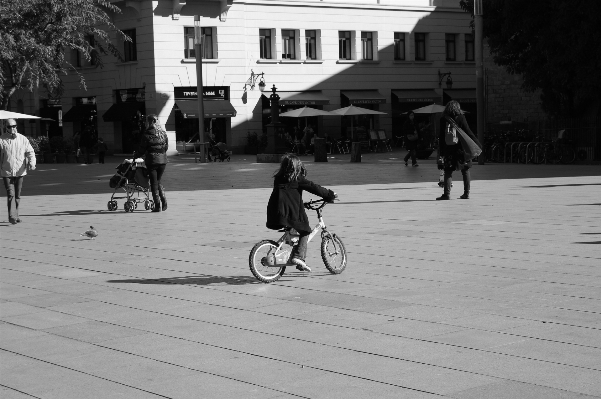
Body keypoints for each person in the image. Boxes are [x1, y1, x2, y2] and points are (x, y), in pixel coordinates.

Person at [266, 154, 337, 272]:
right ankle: (298, 256)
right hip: (289, 211)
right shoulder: (297, 178)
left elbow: (288, 193)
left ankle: (299, 260)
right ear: (296, 167)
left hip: (275, 212)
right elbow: (314, 187)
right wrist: (330, 195)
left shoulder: (278, 178)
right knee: (305, 230)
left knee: (296, 228)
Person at [436, 100, 481, 200]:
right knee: (465, 170)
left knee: (448, 171)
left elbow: (441, 136)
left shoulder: (443, 119)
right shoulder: (461, 117)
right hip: (461, 148)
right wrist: (477, 144)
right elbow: (468, 131)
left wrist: (441, 151)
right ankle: (466, 193)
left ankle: (446, 194)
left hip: (448, 149)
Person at [0, 119, 36, 224]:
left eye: (14, 126)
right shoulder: (1, 139)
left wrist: (32, 163)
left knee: (17, 195)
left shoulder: (23, 139)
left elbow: (30, 152)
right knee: (10, 193)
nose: (12, 128)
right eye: (9, 126)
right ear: (6, 127)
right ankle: (12, 216)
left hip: (20, 171)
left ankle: (16, 215)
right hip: (6, 171)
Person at [139, 114, 169, 212]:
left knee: (153, 183)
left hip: (152, 161)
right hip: (163, 160)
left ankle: (157, 205)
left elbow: (142, 149)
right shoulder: (163, 133)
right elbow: (166, 147)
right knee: (158, 181)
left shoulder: (146, 134)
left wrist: (137, 156)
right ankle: (164, 200)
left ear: (149, 122)